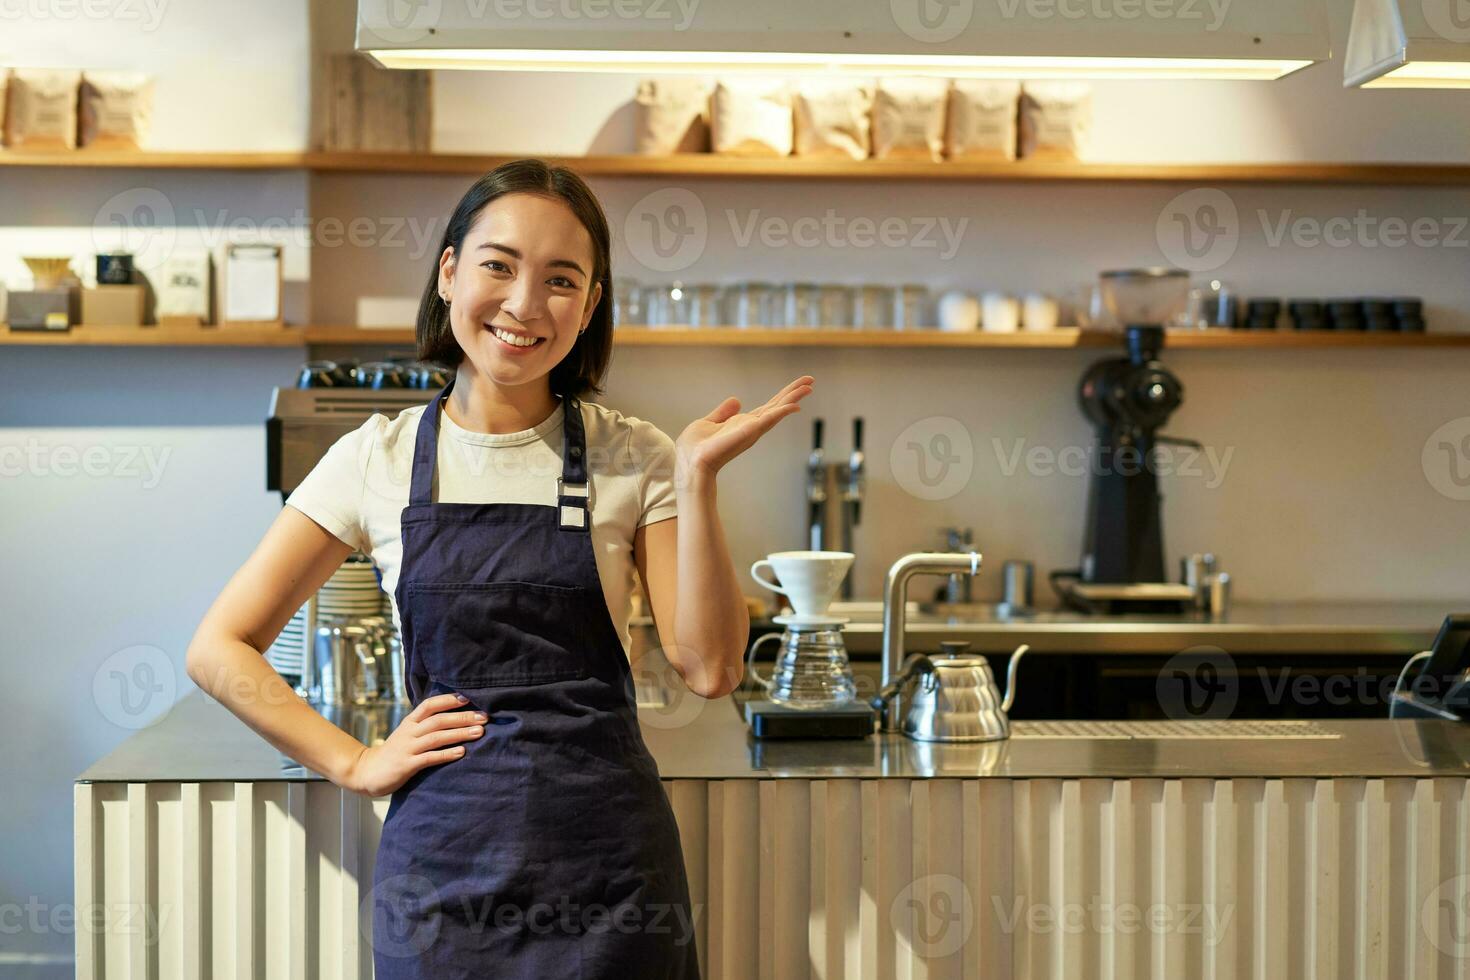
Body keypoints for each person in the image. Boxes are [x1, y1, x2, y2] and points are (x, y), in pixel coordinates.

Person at [186, 158, 813, 977]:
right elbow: (218, 647)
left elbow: (712, 666)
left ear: (590, 307)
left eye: (561, 280)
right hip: (443, 878)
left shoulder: (640, 455)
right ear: (449, 273)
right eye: (497, 265)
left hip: (612, 874)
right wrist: (355, 762)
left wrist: (696, 483)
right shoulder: (374, 457)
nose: (523, 304)